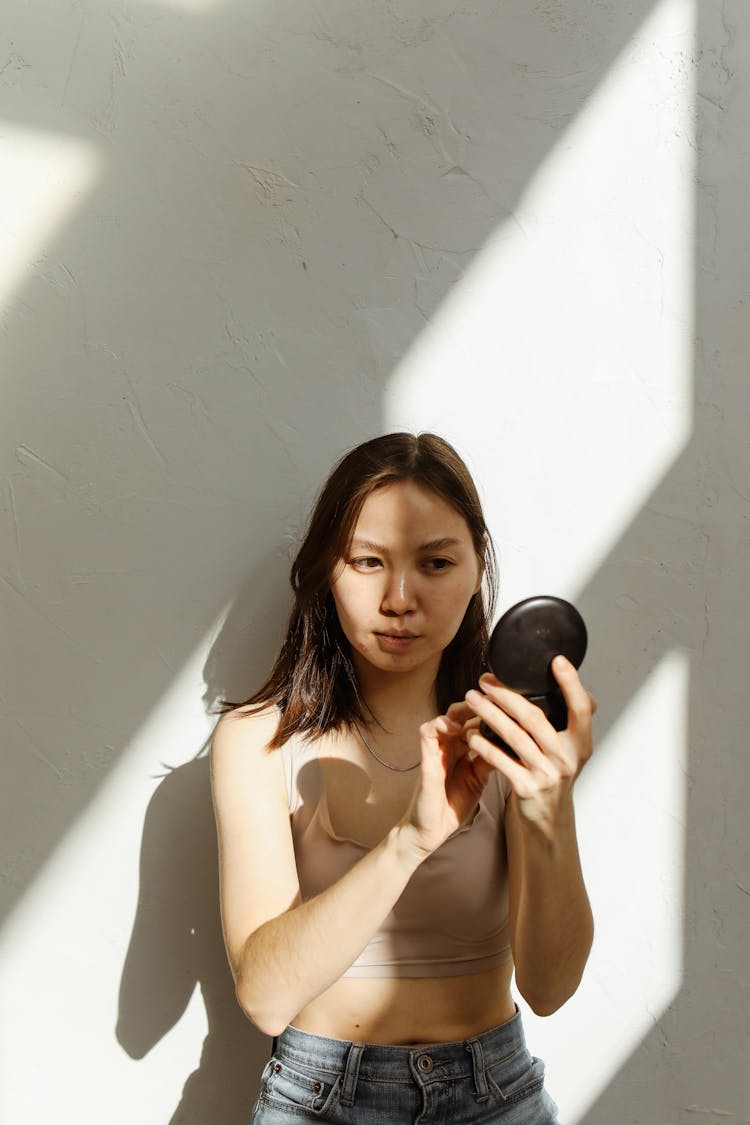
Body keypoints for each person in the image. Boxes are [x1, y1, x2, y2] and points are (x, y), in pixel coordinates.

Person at [210, 432, 596, 1124]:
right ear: (328, 569)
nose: (399, 597)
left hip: (497, 1095)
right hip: (318, 1100)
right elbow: (266, 997)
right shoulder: (258, 741)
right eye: (367, 561)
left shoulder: (508, 741)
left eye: (436, 562)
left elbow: (551, 985)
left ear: (477, 566)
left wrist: (551, 805)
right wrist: (411, 838)